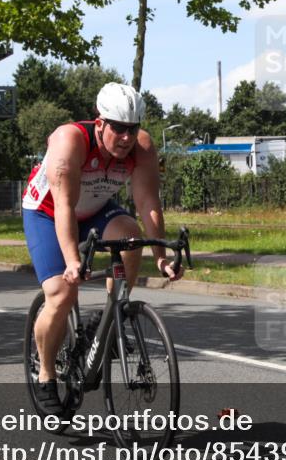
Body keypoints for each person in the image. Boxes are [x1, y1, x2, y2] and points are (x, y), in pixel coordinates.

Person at [21, 82, 184, 414]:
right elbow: (64, 207)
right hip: (48, 212)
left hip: (94, 210)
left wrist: (162, 256)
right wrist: (72, 261)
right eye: (119, 129)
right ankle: (47, 374)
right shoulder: (70, 141)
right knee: (62, 294)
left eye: (132, 128)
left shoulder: (142, 147)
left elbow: (147, 202)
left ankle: (110, 316)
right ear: (100, 124)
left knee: (131, 236)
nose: (126, 137)